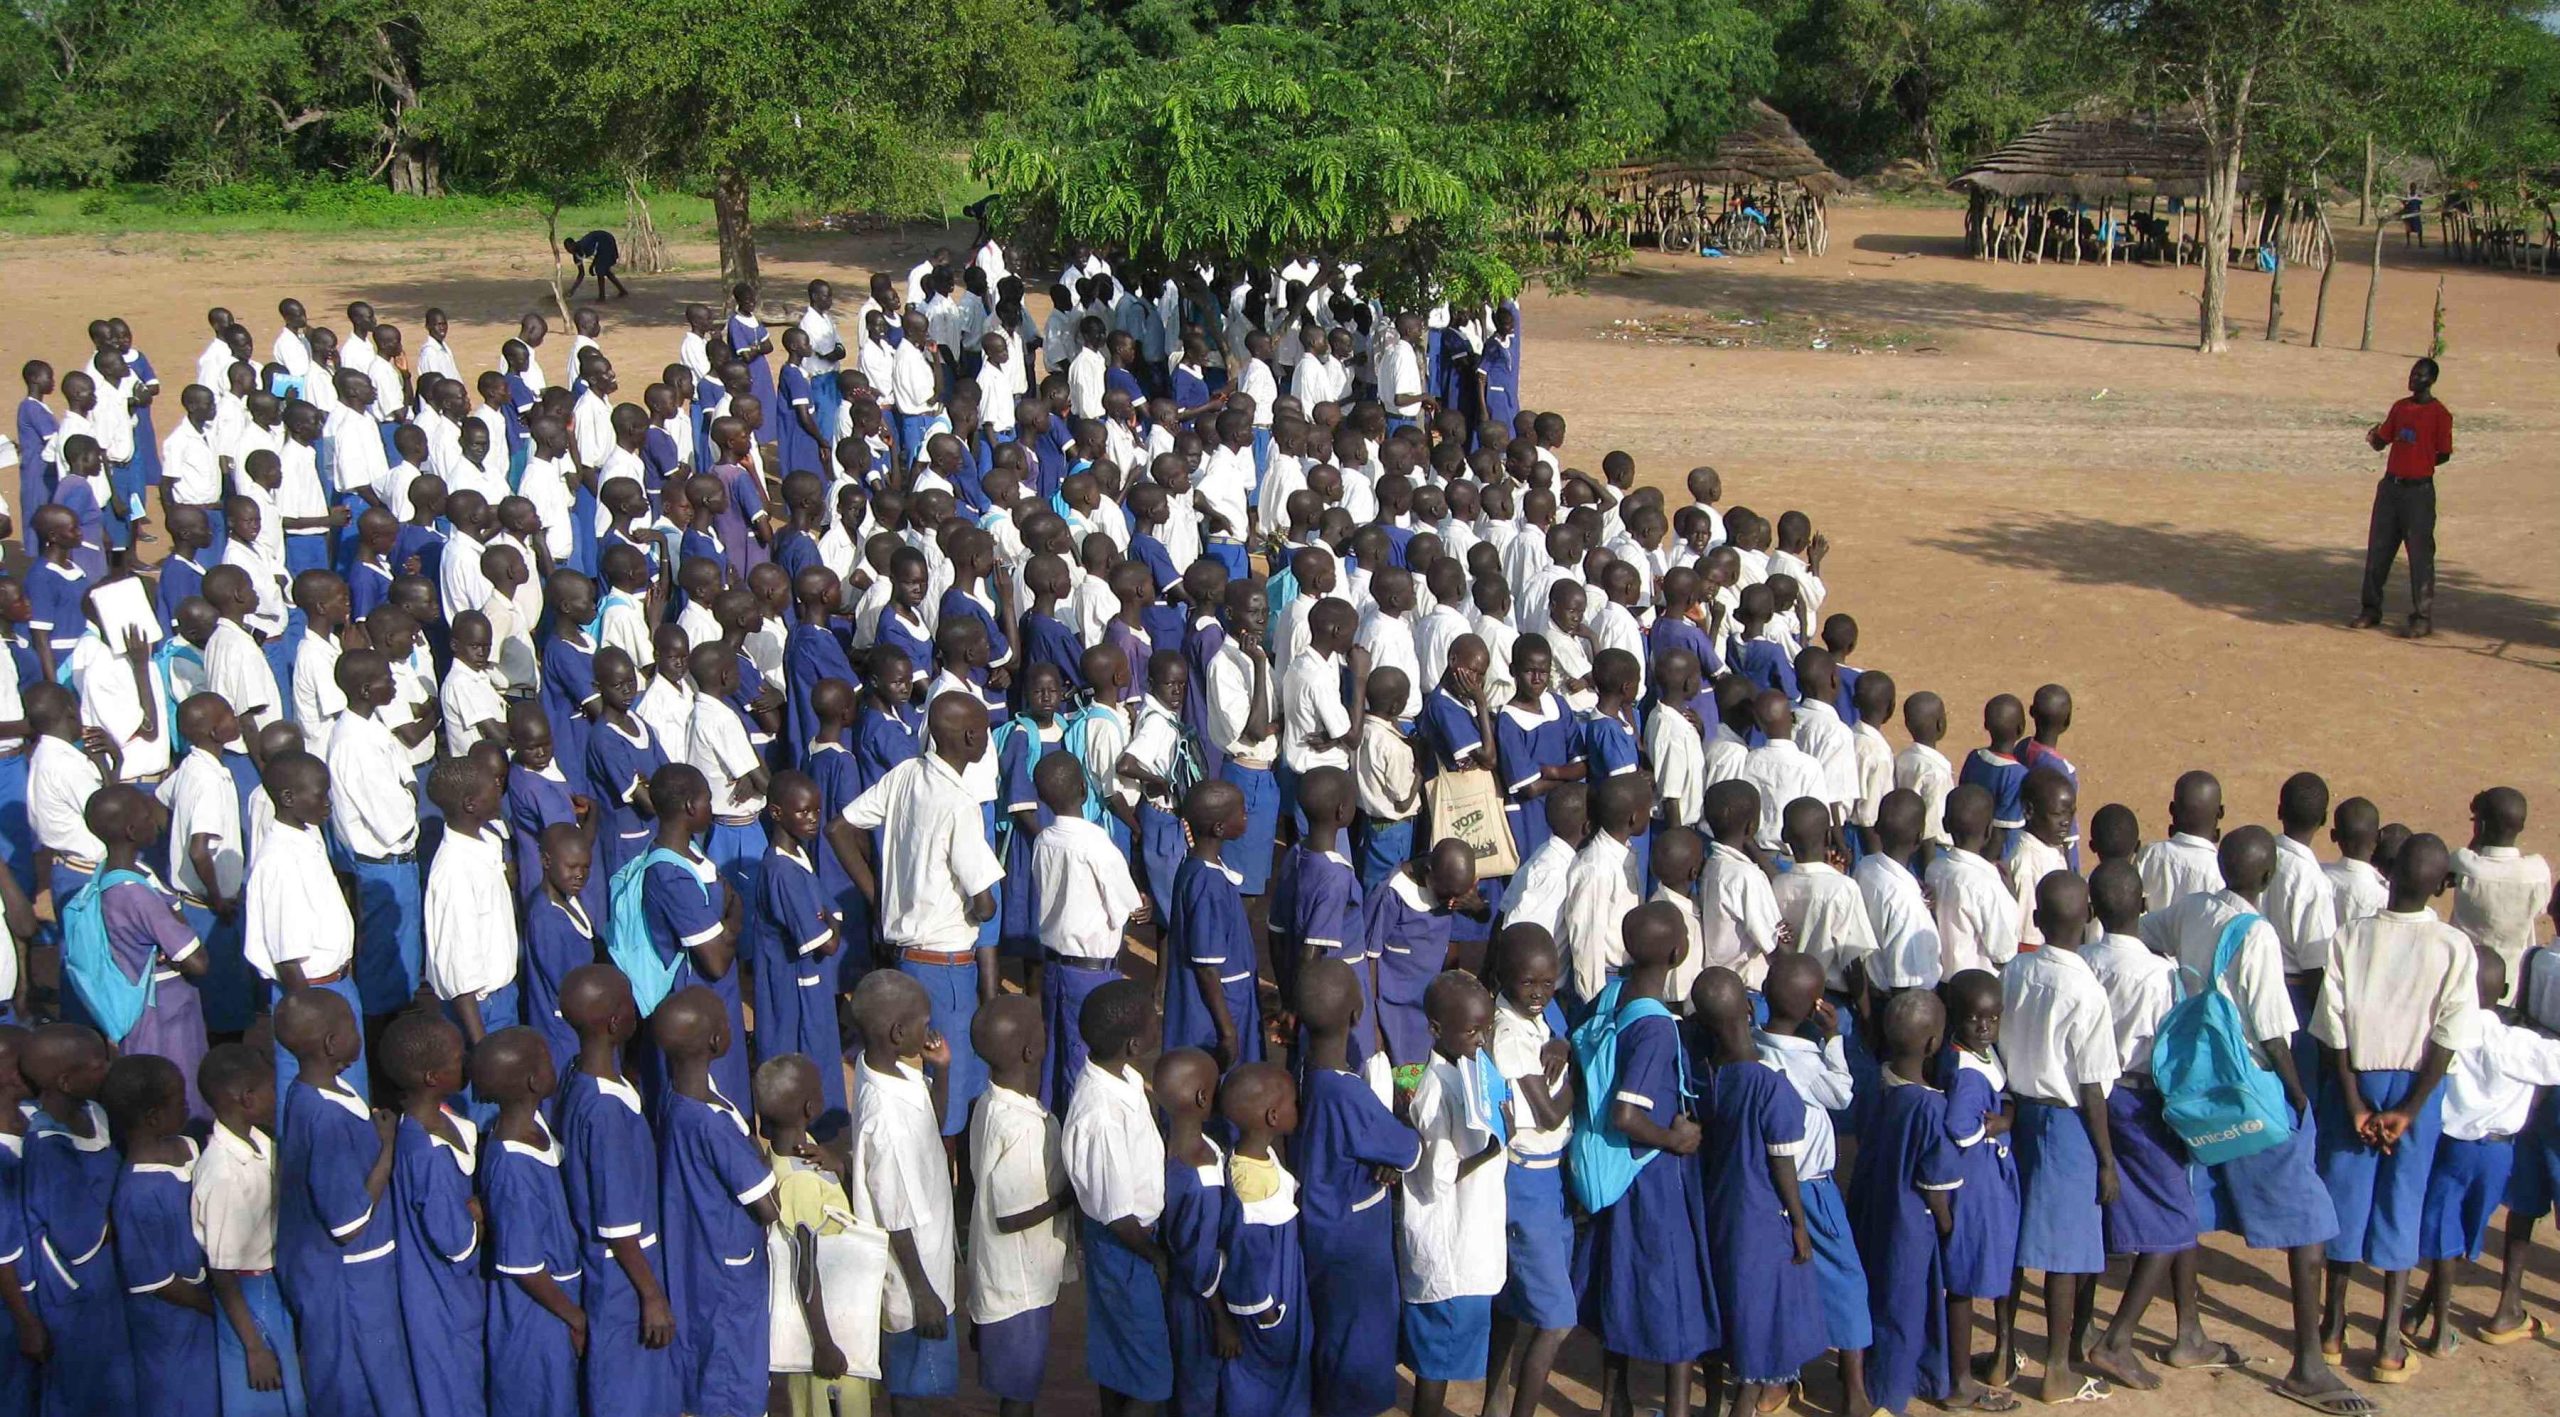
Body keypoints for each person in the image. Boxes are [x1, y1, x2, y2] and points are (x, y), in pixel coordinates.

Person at [2310, 832, 2475, 1382]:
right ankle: (2386, 1342)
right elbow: (2449, 1035)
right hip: (2417, 1087)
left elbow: (2331, 1027)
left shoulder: (2351, 937)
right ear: (2442, 887)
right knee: (2402, 1202)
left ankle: (2331, 1326)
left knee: (2345, 1196)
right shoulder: (2454, 947)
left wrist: (2356, 1101)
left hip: (2354, 1079)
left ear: (2389, 873)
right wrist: (2410, 1108)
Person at [1997, 872, 2124, 1403]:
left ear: (2039, 920)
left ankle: (2003, 1353)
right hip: (2068, 1123)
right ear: (2089, 916)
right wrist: (2107, 1159)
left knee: (2014, 1243)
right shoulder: (2086, 991)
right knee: (2064, 1255)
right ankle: (2055, 1368)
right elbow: (2092, 1087)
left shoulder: (2016, 969)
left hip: (2018, 1114)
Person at [271, 990, 420, 1417]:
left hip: (337, 1276)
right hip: (348, 1283)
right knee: (359, 1385)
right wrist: (387, 1149)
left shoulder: (308, 1092)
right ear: (333, 1044)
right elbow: (349, 1221)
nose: (361, 1033)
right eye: (353, 1027)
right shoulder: (327, 1119)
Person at [1696, 966, 1827, 1416]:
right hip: (1761, 1216)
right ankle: (1745, 1405)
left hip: (1719, 1210)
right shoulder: (1771, 1087)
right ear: (1750, 1010)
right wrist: (1799, 1223)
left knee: (1727, 1306)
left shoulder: (1709, 1080)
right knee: (1762, 1318)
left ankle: (1716, 1402)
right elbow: (1782, 1163)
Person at [554, 965, 680, 1417]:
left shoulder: (577, 1075)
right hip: (623, 1281)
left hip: (614, 1270)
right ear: (614, 1022)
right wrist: (652, 1296)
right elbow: (618, 1225)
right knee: (626, 1394)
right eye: (629, 1002)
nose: (635, 1009)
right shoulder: (607, 1115)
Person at [1061, 978, 1174, 1417]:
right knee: (1151, 1380)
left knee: (1118, 1362)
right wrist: (1155, 1257)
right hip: (1126, 1246)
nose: (1157, 1023)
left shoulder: (1121, 1075)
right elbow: (1117, 1213)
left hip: (1123, 1243)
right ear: (1132, 1043)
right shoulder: (1102, 1116)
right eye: (1152, 1020)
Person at [191, 1042, 309, 1417]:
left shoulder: (261, 1140)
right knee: (263, 1394)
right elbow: (223, 1272)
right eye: (270, 1088)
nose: (277, 1095)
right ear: (246, 1098)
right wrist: (254, 1348)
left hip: (270, 1286)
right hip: (248, 1299)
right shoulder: (223, 1173)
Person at [380, 1013, 487, 1417]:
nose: (466, 1063)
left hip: (452, 1297)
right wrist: (478, 1216)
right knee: (454, 1392)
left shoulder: (440, 1119)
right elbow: (455, 1242)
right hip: (441, 1298)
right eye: (457, 1059)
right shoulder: (427, 1154)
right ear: (431, 1077)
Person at [473, 1027, 584, 1417]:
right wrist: (575, 1316)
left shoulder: (534, 1125)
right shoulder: (513, 1168)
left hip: (555, 1299)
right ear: (535, 1081)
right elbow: (524, 1266)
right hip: (538, 1313)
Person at [2353, 357, 2452, 637]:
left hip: (2418, 493)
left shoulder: (2440, 415)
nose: (2413, 379)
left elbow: (2443, 454)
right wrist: (2374, 437)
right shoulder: (2400, 407)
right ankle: (2370, 609)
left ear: (2431, 380)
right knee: (2378, 551)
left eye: (2420, 375)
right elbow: (2383, 439)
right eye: (2412, 373)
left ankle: (2421, 616)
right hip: (2391, 489)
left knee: (2420, 555)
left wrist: (2418, 464)